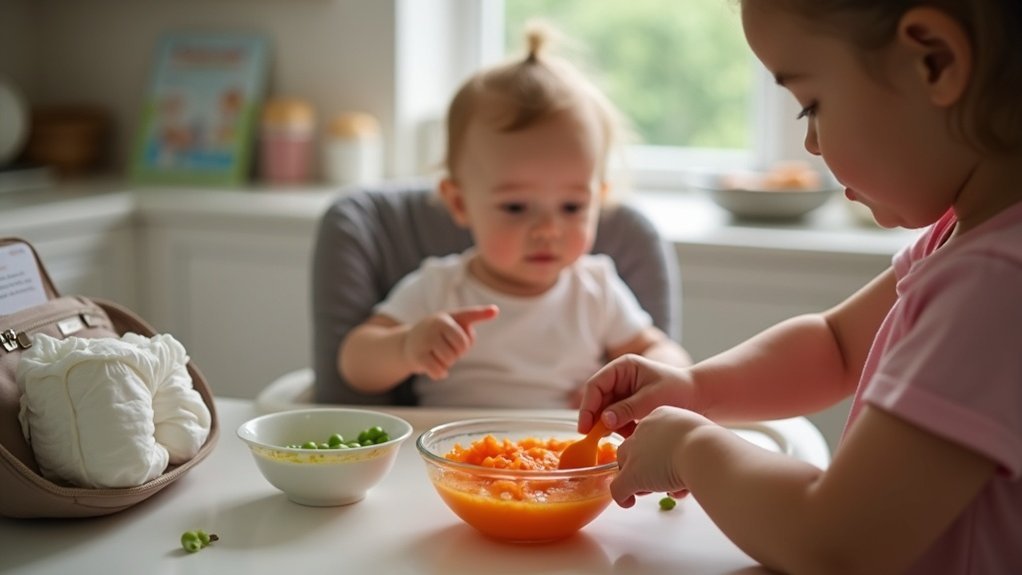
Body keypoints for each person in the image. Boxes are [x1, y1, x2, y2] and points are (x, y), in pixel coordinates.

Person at [577, 1, 1022, 573]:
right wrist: (693, 388)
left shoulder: (995, 287)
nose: (811, 145)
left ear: (933, 62)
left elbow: (835, 542)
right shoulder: (963, 238)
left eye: (811, 105)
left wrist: (691, 450)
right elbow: (836, 346)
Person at [339, 25, 692, 409]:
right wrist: (406, 347)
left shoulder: (595, 291)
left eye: (572, 207)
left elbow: (666, 355)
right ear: (459, 203)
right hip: (457, 461)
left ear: (599, 200)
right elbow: (355, 362)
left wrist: (642, 378)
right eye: (515, 207)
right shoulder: (441, 288)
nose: (547, 230)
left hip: (564, 461)